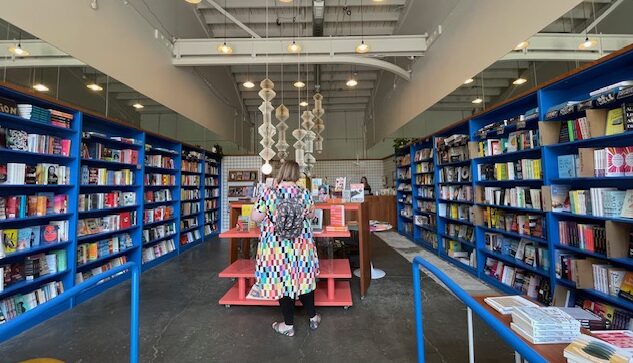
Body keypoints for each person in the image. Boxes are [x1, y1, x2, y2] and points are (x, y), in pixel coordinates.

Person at [251, 160, 321, 337]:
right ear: (297, 174)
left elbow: (256, 217)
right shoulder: (304, 193)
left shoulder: (269, 193)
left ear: (281, 172)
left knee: (283, 281)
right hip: (301, 245)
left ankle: (288, 325)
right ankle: (313, 317)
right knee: (303, 278)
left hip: (276, 247)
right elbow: (312, 215)